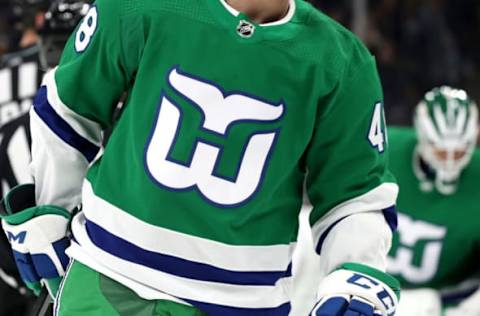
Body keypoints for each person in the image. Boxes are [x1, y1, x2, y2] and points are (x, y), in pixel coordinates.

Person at [1, 0, 401, 315]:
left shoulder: (342, 65)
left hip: (241, 305)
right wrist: (52, 205)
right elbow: (70, 107)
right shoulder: (141, 7)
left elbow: (354, 195)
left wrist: (352, 269)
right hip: (108, 278)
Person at [386, 86, 480, 316]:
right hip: (370, 286)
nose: (449, 161)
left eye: (458, 152)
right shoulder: (386, 149)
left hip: (445, 301)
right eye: (440, 151)